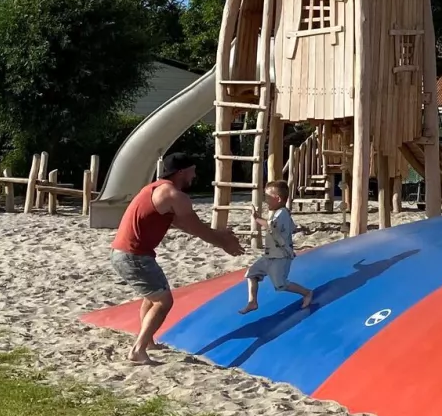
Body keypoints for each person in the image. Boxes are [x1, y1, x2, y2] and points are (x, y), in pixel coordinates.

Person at [110, 153, 244, 364]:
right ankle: (138, 350)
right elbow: (198, 229)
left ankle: (149, 341)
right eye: (192, 170)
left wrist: (219, 236)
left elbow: (185, 225)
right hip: (133, 256)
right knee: (163, 302)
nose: (195, 175)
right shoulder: (174, 195)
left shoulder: (154, 188)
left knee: (152, 295)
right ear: (182, 172)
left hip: (127, 254)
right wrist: (224, 243)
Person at [239, 180, 314, 314]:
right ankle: (252, 302)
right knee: (251, 273)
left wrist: (256, 218)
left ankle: (307, 293)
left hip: (281, 257)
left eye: (268, 197)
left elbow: (271, 226)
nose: (265, 200)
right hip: (269, 255)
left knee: (281, 285)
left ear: (278, 199)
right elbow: (290, 227)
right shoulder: (276, 212)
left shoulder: (282, 213)